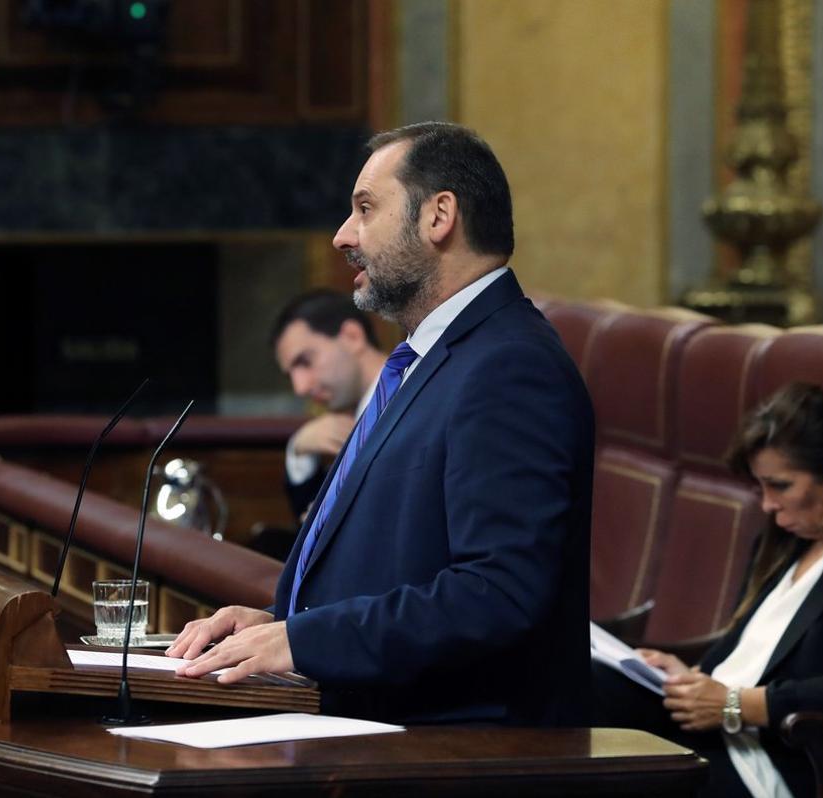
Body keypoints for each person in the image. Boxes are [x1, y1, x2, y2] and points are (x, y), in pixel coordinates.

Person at [167, 121, 595, 726]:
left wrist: (305, 642)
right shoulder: (429, 359)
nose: (343, 236)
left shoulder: (510, 366)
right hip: (376, 728)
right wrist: (282, 624)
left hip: (454, 754)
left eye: (365, 208)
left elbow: (498, 592)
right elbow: (401, 557)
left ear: (439, 216)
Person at [592, 382, 823, 798]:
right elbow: (755, 654)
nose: (767, 505)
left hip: (779, 754)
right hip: (720, 730)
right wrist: (694, 676)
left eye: (781, 486)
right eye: (761, 488)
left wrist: (735, 704)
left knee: (615, 769)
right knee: (587, 681)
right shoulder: (785, 540)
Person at [270, 290, 388, 522]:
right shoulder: (346, 421)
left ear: (352, 337)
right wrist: (299, 451)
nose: (300, 388)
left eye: (305, 361)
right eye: (290, 374)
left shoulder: (416, 399)